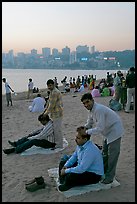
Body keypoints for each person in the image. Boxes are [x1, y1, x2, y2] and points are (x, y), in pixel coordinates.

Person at [81, 93, 124, 185]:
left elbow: (100, 128)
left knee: (112, 156)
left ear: (92, 100)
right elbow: (89, 122)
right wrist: (83, 129)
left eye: (87, 102)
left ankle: (110, 177)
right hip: (106, 132)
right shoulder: (91, 110)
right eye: (84, 103)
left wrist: (87, 132)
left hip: (114, 131)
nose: (86, 105)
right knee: (104, 153)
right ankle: (103, 171)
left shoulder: (98, 109)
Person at [58, 126, 104, 192]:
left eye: (78, 138)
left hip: (93, 174)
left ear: (85, 139)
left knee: (71, 175)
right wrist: (65, 166)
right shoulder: (80, 145)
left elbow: (82, 169)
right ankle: (64, 180)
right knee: (64, 161)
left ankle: (67, 183)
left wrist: (66, 171)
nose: (75, 139)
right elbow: (74, 157)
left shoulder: (90, 150)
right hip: (83, 168)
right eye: (76, 137)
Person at [42, 79, 63, 148]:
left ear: (53, 85)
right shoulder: (51, 91)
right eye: (48, 86)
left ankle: (59, 144)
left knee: (57, 130)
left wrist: (45, 113)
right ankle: (57, 143)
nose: (49, 87)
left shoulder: (54, 92)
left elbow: (52, 105)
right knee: (55, 129)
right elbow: (49, 102)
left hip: (57, 113)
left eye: (50, 85)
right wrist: (45, 110)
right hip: (54, 113)